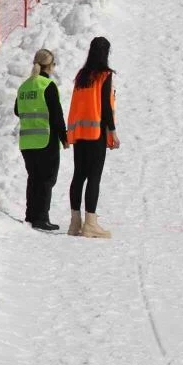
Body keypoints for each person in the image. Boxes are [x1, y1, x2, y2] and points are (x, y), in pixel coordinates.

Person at [66, 37, 120, 238]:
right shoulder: (104, 75)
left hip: (79, 133)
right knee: (94, 177)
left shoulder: (81, 76)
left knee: (79, 175)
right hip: (96, 133)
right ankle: (90, 223)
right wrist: (112, 131)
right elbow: (106, 106)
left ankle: (74, 223)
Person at [14, 49, 67, 231]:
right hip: (45, 139)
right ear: (49, 66)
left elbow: (16, 110)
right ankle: (42, 218)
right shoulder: (47, 85)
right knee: (46, 179)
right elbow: (56, 115)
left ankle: (31, 215)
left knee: (34, 178)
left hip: (26, 142)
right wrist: (64, 137)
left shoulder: (24, 86)